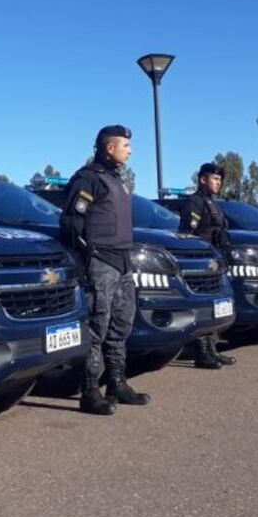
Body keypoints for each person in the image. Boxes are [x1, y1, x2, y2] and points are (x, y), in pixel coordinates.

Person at [60, 125, 150, 415]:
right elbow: (72, 224)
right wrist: (86, 258)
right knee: (97, 327)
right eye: (125, 145)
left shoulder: (117, 180)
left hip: (123, 262)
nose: (130, 151)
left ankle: (117, 384)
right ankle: (90, 392)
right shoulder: (88, 178)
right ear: (109, 148)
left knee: (121, 325)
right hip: (100, 262)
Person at [177, 163, 237, 368]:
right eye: (215, 179)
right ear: (203, 179)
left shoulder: (212, 202)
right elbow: (188, 234)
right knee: (204, 306)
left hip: (216, 260)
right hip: (202, 263)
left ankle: (212, 349)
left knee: (216, 306)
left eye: (220, 180)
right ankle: (202, 353)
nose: (219, 183)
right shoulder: (194, 202)